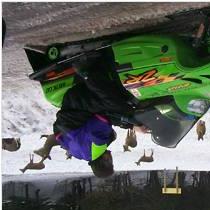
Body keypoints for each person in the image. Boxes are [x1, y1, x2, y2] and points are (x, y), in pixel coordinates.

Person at [34, 47, 148, 178]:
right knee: (117, 105)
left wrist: (132, 121)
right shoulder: (78, 154)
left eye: (111, 162)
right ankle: (100, 65)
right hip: (70, 109)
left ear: (106, 161)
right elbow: (59, 136)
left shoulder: (98, 145)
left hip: (78, 103)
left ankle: (85, 70)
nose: (111, 158)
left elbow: (104, 117)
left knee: (119, 105)